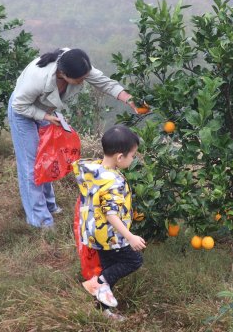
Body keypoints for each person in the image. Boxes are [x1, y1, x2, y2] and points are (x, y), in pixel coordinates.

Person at [8, 48, 137, 228]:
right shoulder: (37, 78)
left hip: (46, 110)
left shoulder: (77, 63)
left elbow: (104, 83)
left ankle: (49, 206)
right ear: (63, 74)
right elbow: (19, 105)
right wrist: (46, 117)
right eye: (80, 80)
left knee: (46, 159)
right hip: (23, 112)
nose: (83, 81)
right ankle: (39, 219)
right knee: (31, 166)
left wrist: (129, 99)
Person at [73, 125, 146, 321]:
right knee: (133, 261)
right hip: (110, 234)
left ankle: (102, 310)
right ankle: (98, 283)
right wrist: (130, 237)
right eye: (132, 156)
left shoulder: (95, 169)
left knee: (109, 267)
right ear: (120, 157)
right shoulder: (113, 181)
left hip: (94, 231)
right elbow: (111, 214)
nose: (133, 159)